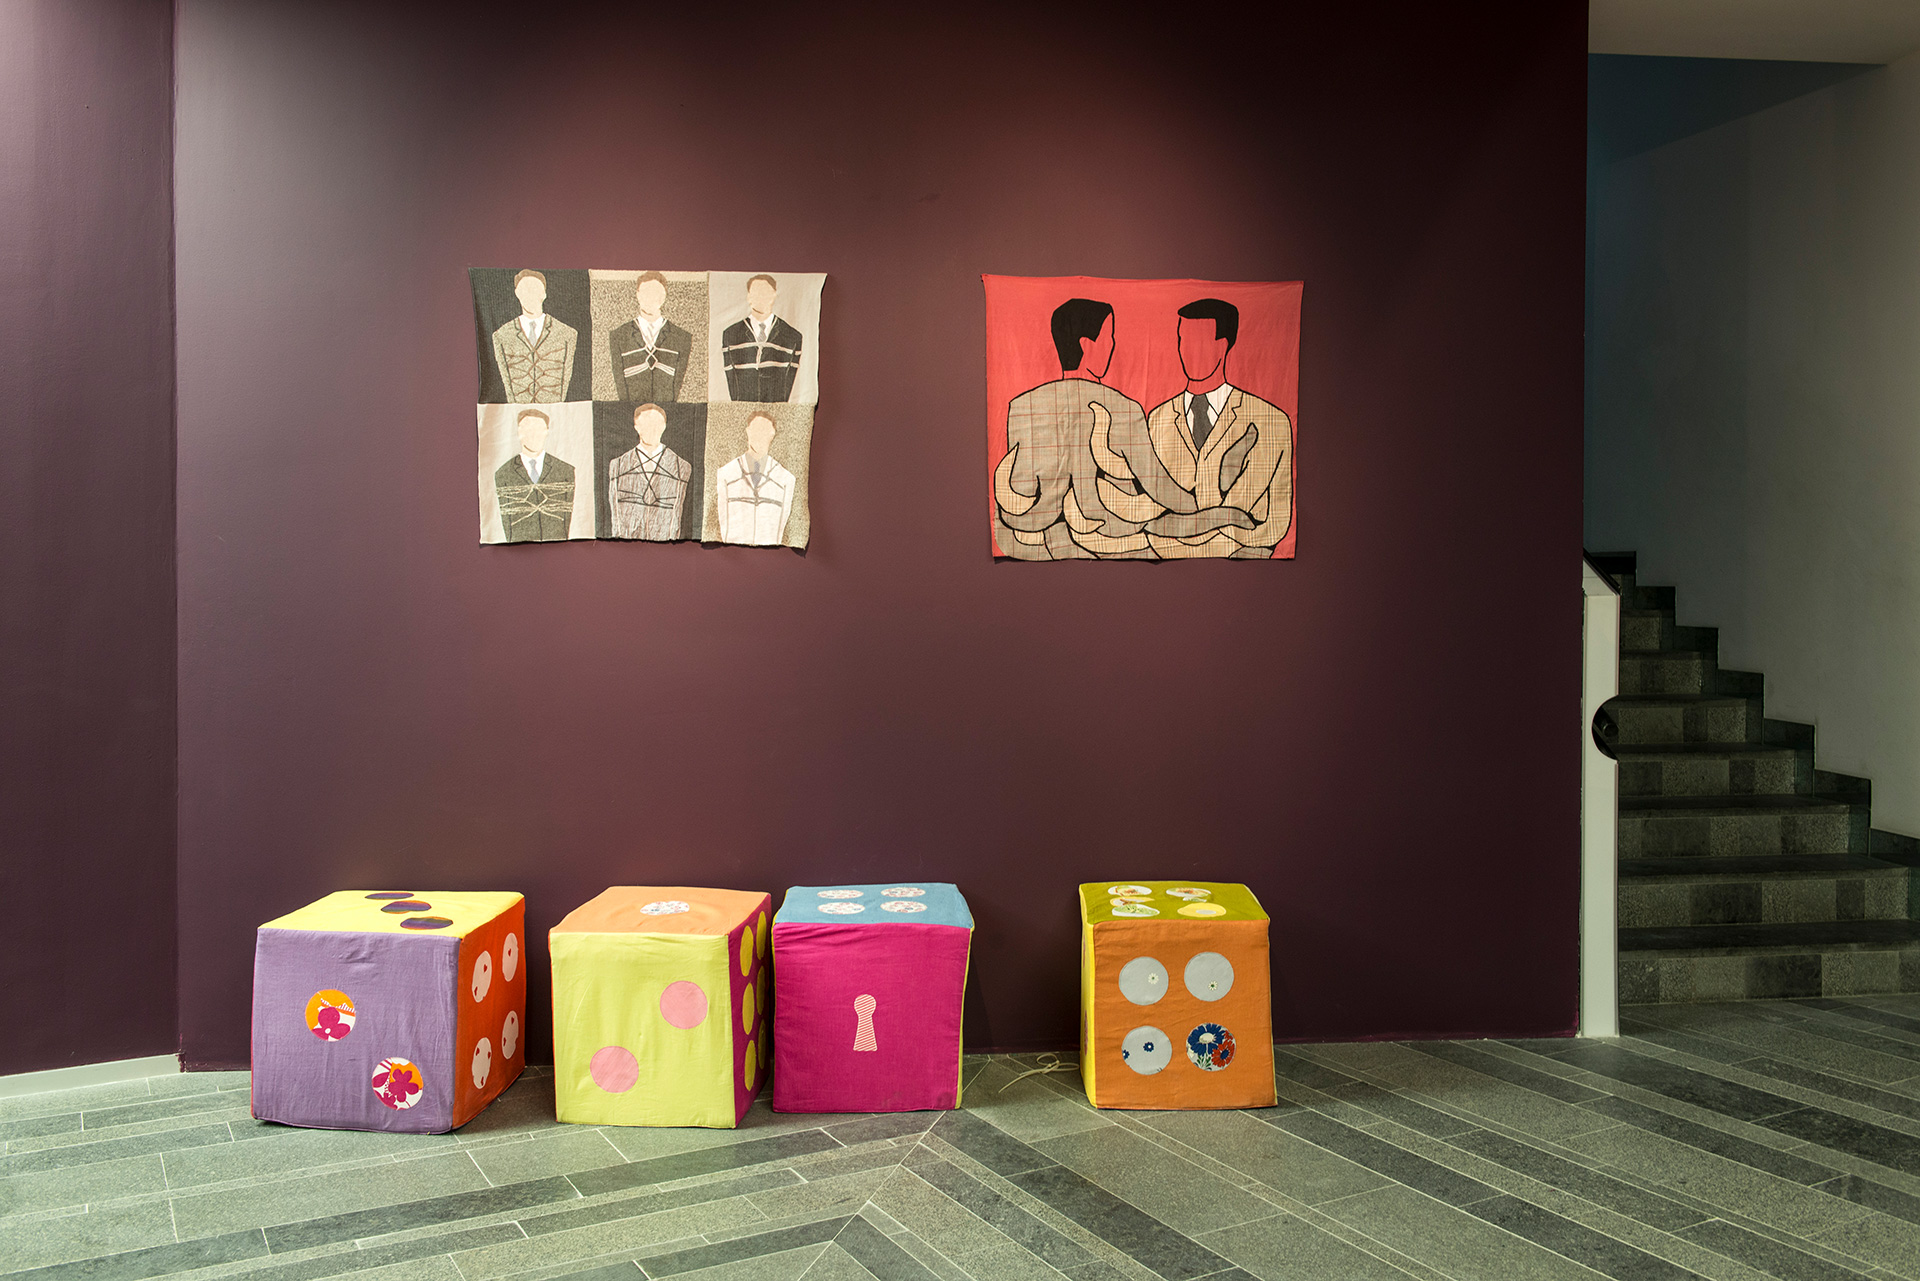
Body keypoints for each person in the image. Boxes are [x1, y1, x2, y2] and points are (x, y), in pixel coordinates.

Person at [993, 298, 1182, 559]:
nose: (1112, 344)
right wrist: (1201, 504)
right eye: (1108, 337)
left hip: (1035, 539)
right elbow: (1159, 486)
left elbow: (1020, 492)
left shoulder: (1022, 407)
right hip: (1117, 536)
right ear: (1086, 344)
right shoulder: (1125, 408)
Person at [1137, 299, 1292, 558]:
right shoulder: (1157, 419)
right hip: (1166, 562)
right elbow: (1146, 509)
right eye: (1183, 340)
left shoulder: (1269, 420)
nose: (1189, 351)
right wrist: (1223, 518)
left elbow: (1271, 523)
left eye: (1200, 341)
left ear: (1224, 345)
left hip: (1247, 561)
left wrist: (1175, 525)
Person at [607, 403, 693, 541]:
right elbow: (615, 512)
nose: (651, 429)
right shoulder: (618, 465)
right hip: (626, 543)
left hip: (667, 543)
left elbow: (677, 514)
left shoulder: (681, 467)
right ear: (636, 426)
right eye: (645, 424)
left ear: (664, 426)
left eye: (656, 424)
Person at [490, 269, 578, 403]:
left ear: (544, 294)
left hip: (555, 409)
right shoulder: (501, 336)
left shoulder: (567, 334)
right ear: (517, 293)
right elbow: (507, 381)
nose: (530, 295)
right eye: (524, 290)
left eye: (535, 289)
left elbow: (566, 378)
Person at [608, 272, 693, 403]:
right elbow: (620, 384)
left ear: (663, 296)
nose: (650, 298)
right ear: (637, 295)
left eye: (655, 293)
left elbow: (677, 385)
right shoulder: (619, 336)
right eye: (645, 292)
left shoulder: (682, 338)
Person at [494, 408, 576, 542]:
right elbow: (507, 523)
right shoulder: (503, 473)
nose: (533, 435)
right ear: (519, 432)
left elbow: (565, 520)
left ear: (547, 431)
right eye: (527, 429)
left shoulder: (565, 471)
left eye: (538, 429)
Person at [714, 411, 796, 545]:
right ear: (748, 431)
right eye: (756, 430)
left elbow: (780, 528)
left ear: (773, 435)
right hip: (732, 550)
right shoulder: (726, 474)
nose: (759, 436)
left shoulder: (786, 480)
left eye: (765, 431)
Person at [720, 274, 804, 402]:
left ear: (774, 295)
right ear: (748, 297)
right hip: (742, 408)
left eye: (765, 292)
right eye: (755, 292)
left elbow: (789, 382)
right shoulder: (731, 334)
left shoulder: (792, 336)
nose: (760, 297)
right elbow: (731, 379)